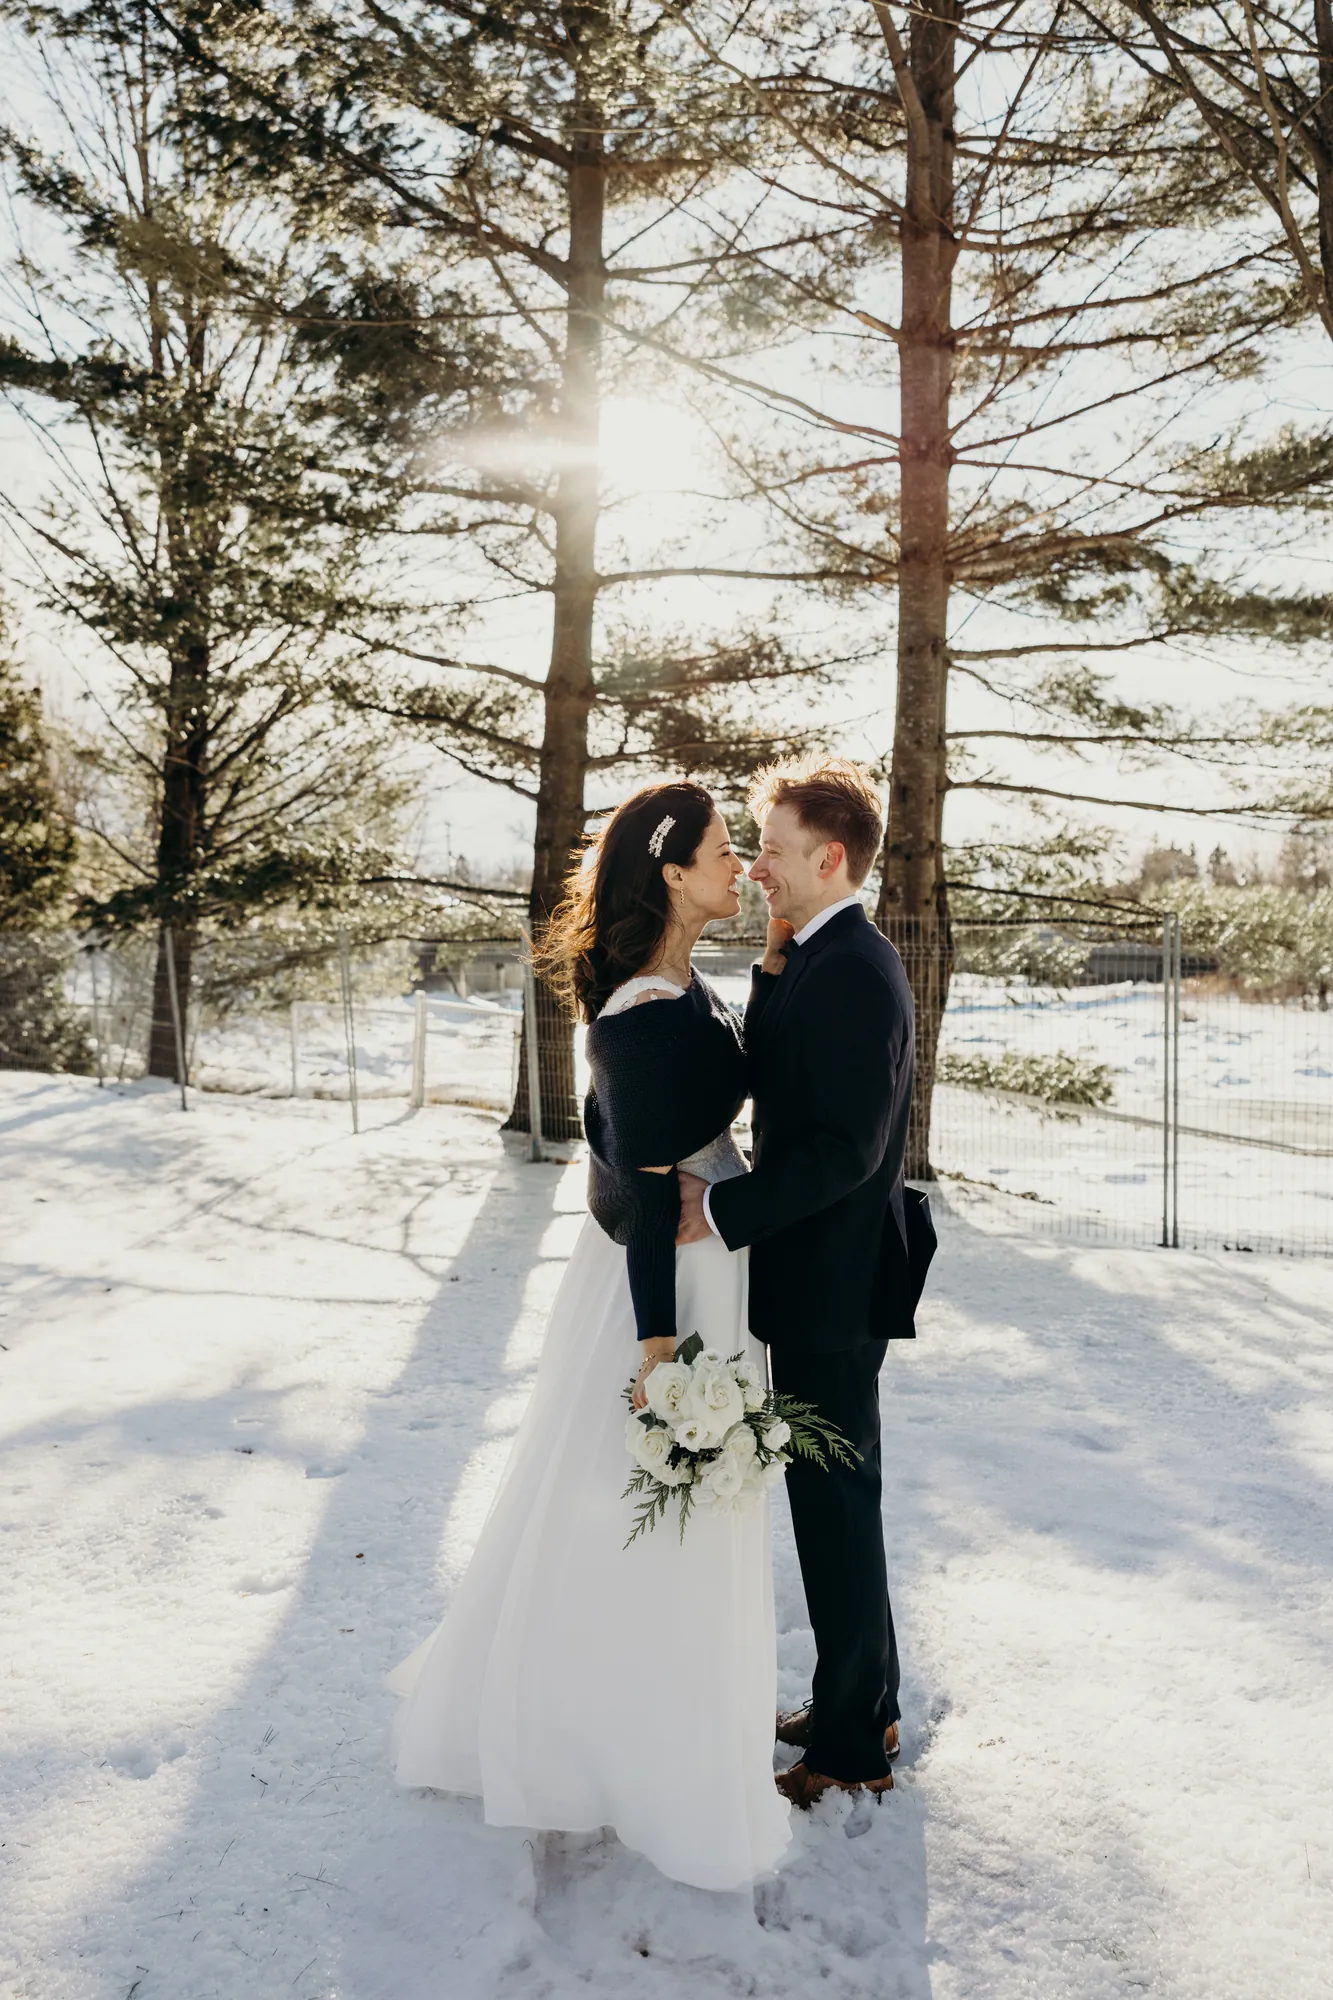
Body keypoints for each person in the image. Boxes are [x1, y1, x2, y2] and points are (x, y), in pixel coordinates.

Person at [387, 781, 791, 1891]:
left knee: (653, 1519)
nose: (738, 864)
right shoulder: (640, 1012)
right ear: (669, 872)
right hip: (665, 1293)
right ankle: (608, 1742)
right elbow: (646, 1185)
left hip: (708, 1267)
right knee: (632, 1509)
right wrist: (663, 1355)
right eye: (720, 849)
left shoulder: (679, 985)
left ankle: (649, 1719)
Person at [677, 757, 935, 1810]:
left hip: (833, 1286)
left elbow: (837, 1148)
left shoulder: (857, 972)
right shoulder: (815, 956)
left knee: (835, 1505)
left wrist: (722, 1212)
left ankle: (852, 1743)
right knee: (834, 1497)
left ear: (830, 857)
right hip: (818, 1277)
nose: (758, 869)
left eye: (774, 851)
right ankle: (859, 1696)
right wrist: (773, 965)